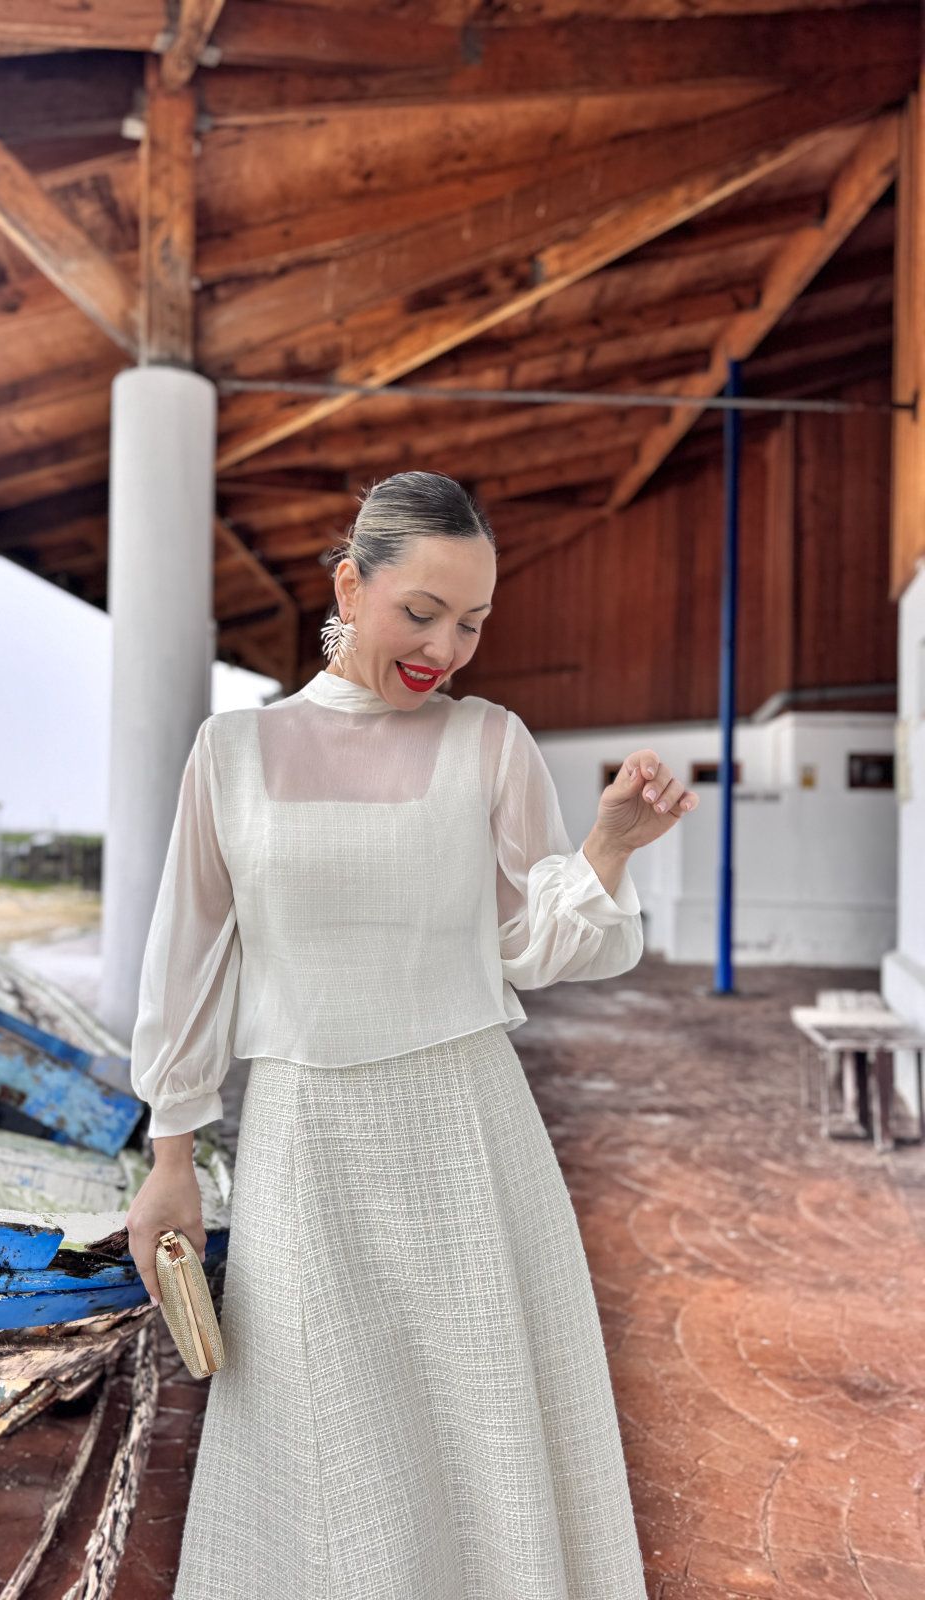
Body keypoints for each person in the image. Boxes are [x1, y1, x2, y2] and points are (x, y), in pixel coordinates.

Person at [125, 471, 697, 1600]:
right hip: (304, 1144)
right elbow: (186, 963)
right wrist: (172, 1158)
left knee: (479, 1435)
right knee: (322, 1446)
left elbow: (530, 943)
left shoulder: (489, 741)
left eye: (474, 621)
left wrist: (611, 847)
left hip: (466, 1134)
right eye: (422, 612)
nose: (448, 645)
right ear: (350, 583)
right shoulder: (231, 751)